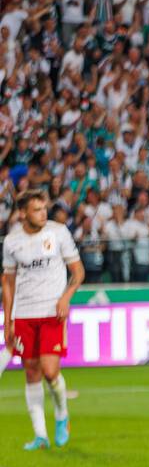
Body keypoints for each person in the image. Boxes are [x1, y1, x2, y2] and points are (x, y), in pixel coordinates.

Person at [2, 190, 84, 449]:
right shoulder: (12, 242)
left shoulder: (58, 232)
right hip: (24, 314)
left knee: (50, 372)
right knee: (31, 372)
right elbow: (8, 283)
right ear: (23, 213)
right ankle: (40, 435)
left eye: (43, 208)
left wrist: (66, 297)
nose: (42, 213)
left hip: (52, 312)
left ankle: (62, 415)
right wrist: (8, 320)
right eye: (36, 210)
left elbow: (78, 271)